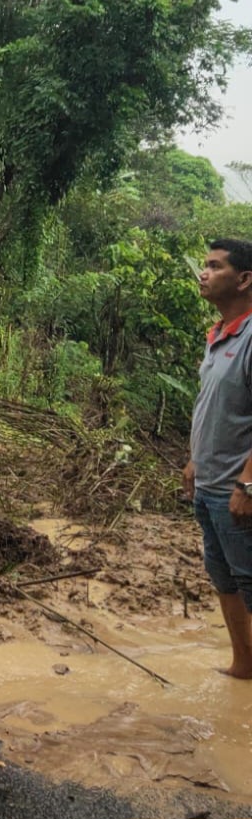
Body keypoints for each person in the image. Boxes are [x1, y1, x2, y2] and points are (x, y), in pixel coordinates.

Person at [184, 238, 252, 680]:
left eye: (215, 266)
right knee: (225, 578)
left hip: (237, 489)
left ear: (244, 279)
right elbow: (214, 408)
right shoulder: (218, 335)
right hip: (209, 486)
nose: (203, 273)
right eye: (204, 265)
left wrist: (248, 483)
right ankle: (244, 666)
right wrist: (194, 460)